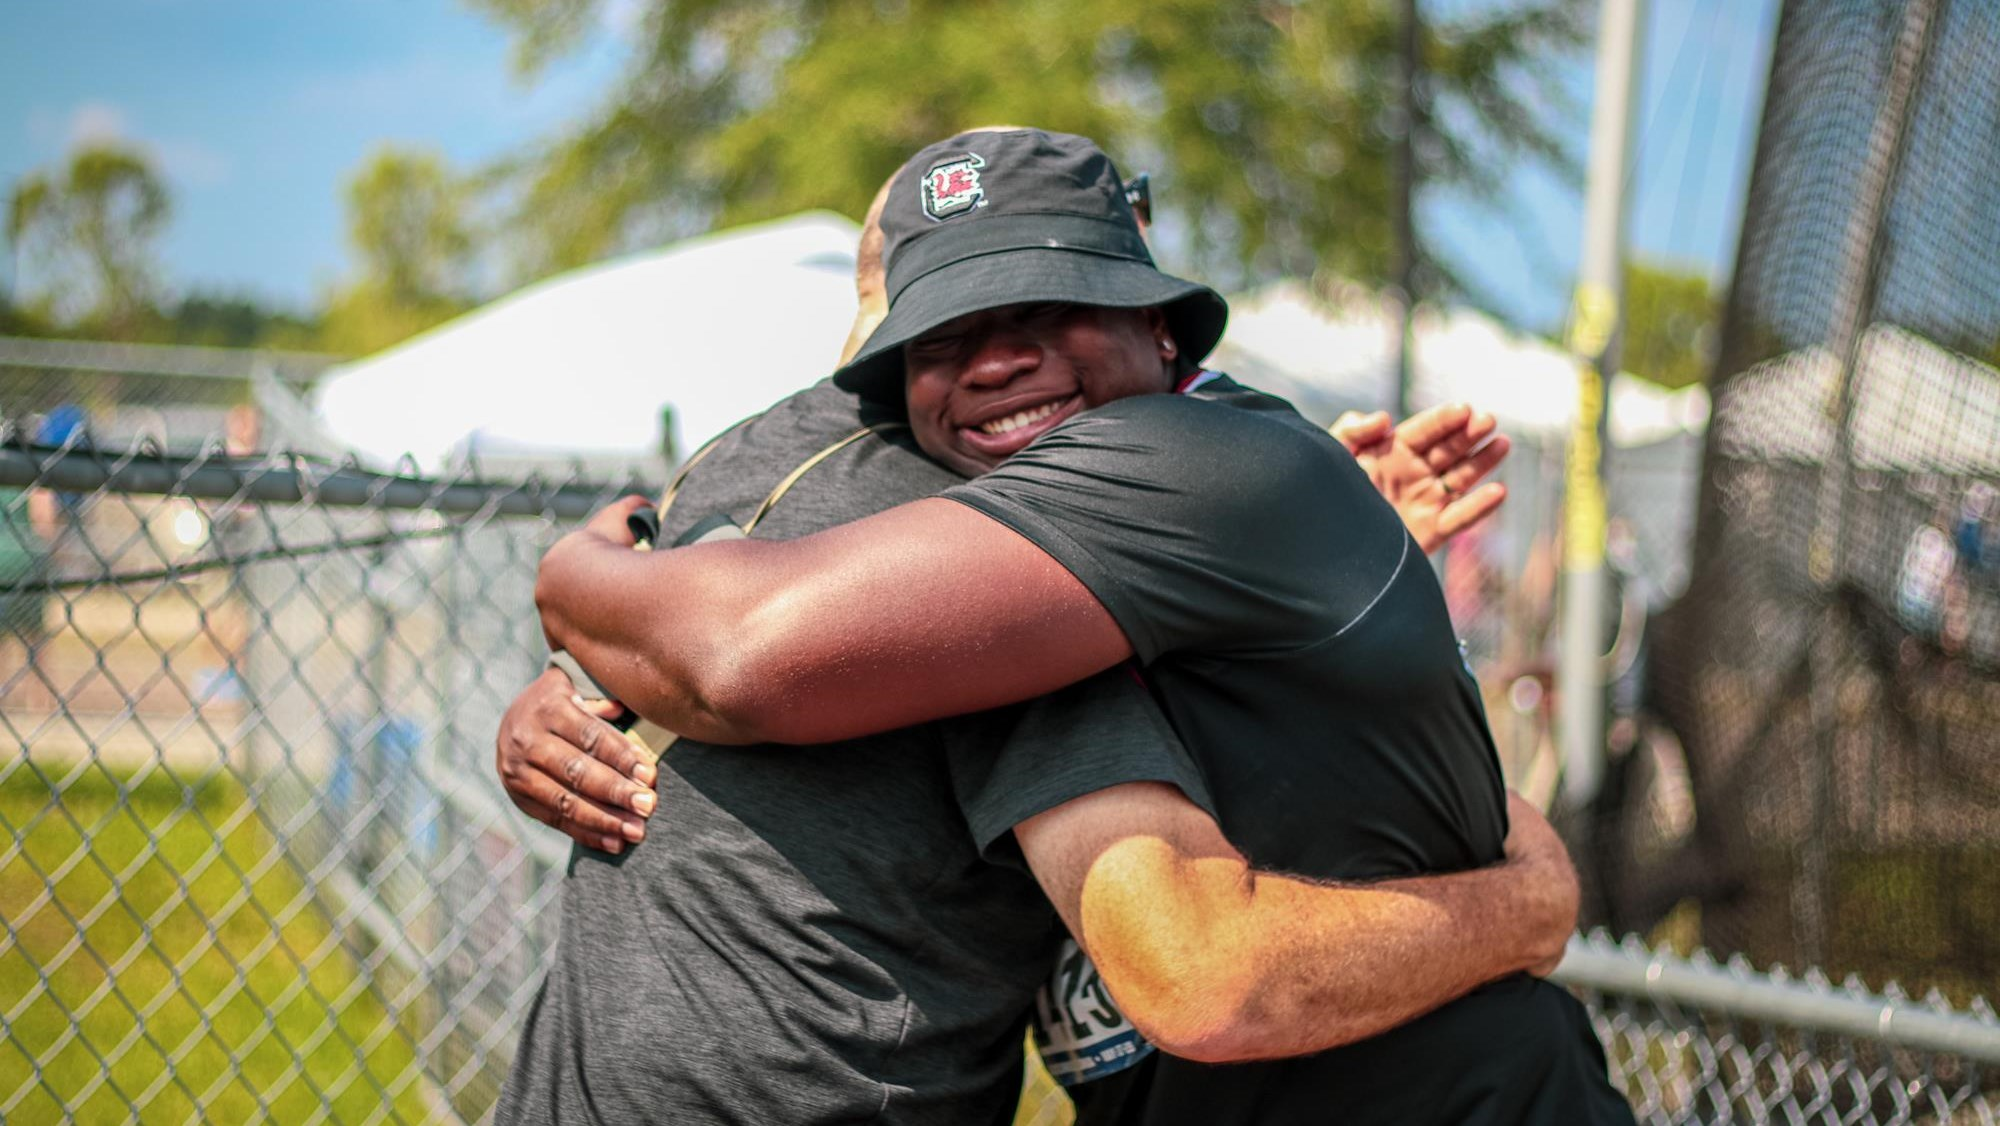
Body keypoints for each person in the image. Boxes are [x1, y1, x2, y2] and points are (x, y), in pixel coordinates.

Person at [526, 128, 1633, 1123]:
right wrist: (570, 686)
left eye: (1043, 305)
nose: (996, 357)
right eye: (940, 334)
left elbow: (737, 655)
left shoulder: (1173, 470)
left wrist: (573, 569)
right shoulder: (1004, 542)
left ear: (1157, 324)